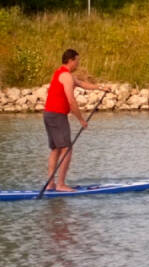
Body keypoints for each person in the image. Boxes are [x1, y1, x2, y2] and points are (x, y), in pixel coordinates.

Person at [43, 49, 111, 192]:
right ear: (71, 60)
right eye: (77, 60)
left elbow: (82, 84)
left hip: (49, 114)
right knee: (67, 148)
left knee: (55, 149)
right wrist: (81, 119)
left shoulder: (61, 73)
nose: (78, 63)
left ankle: (50, 184)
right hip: (57, 115)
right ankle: (60, 184)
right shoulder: (66, 76)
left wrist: (101, 88)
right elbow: (71, 100)